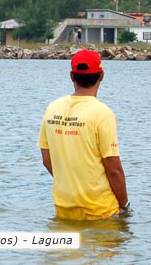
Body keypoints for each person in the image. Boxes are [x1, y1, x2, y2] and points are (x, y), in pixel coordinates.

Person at [37, 49, 129, 220]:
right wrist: (125, 206)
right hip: (100, 210)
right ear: (101, 75)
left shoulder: (52, 108)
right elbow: (113, 169)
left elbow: (46, 160)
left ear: (72, 76)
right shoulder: (102, 113)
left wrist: (70, 184)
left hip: (64, 208)